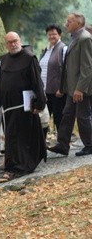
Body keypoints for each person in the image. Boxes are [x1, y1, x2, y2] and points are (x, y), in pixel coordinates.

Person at [0, 32, 47, 183]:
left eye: (15, 41)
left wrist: (40, 103)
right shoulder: (5, 59)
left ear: (20, 41)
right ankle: (21, 164)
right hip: (9, 107)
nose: (13, 44)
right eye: (9, 42)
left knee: (15, 138)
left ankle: (13, 169)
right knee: (14, 137)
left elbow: (37, 82)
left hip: (24, 105)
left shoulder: (29, 58)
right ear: (5, 45)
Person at [48, 13, 92, 157]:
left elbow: (87, 67)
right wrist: (64, 87)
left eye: (69, 21)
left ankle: (90, 145)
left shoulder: (85, 38)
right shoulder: (74, 38)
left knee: (82, 117)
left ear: (78, 24)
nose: (66, 24)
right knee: (67, 115)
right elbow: (69, 67)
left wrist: (80, 88)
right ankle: (62, 145)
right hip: (72, 88)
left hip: (81, 88)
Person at [39, 24, 67, 136]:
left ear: (60, 35)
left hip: (58, 91)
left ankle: (63, 143)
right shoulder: (46, 50)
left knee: (59, 117)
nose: (51, 36)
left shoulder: (63, 49)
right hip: (45, 90)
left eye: (54, 34)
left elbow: (67, 70)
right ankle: (41, 144)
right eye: (49, 34)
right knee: (43, 117)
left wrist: (62, 88)